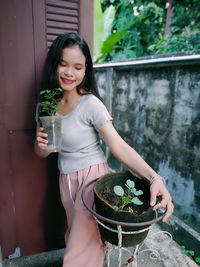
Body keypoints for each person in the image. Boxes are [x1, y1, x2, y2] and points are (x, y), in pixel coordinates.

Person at [34, 32, 174, 267]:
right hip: (66, 182)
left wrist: (154, 177)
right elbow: (46, 151)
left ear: (86, 69)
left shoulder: (90, 104)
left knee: (77, 256)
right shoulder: (47, 102)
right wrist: (41, 147)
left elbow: (118, 145)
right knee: (82, 242)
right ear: (54, 63)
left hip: (92, 182)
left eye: (78, 67)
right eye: (63, 64)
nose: (70, 73)